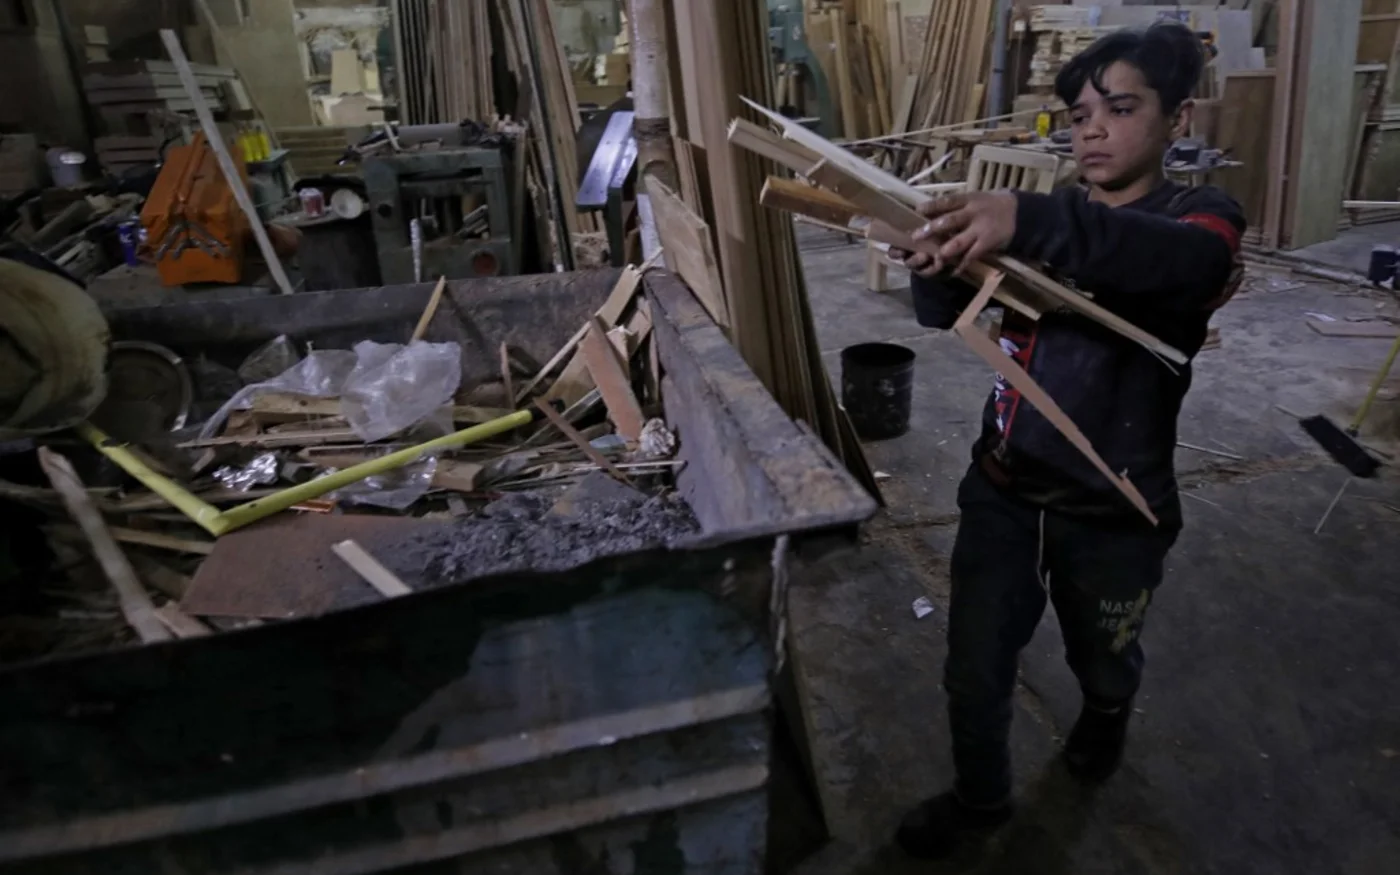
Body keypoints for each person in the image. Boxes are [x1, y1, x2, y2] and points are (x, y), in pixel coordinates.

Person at [887, 22, 1245, 860]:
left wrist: (1027, 219)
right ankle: (979, 802)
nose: (1091, 129)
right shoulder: (1057, 218)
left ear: (1177, 120)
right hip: (1005, 484)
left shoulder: (1197, 219)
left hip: (1115, 505)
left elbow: (1184, 269)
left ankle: (1108, 710)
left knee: (1102, 654)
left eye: (1119, 109)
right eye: (1080, 113)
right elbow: (952, 318)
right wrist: (931, 266)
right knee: (974, 665)